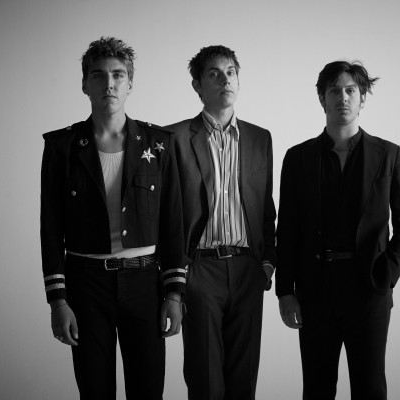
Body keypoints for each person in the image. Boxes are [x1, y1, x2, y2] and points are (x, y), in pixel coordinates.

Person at [40, 36, 188, 399]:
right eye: (99, 75)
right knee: (94, 390)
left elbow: (173, 222)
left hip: (144, 284)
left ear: (130, 83)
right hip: (86, 286)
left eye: (118, 75)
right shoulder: (61, 147)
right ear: (85, 84)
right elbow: (50, 228)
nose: (109, 84)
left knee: (147, 390)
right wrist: (58, 301)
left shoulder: (159, 144)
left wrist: (174, 293)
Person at [276, 60, 400, 399]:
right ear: (321, 98)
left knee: (370, 388)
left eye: (351, 90)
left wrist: (387, 275)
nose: (343, 97)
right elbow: (287, 228)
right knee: (317, 389)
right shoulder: (298, 158)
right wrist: (285, 291)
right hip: (314, 288)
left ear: (362, 98)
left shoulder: (389, 155)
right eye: (334, 91)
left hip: (368, 288)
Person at [167, 45, 276, 400]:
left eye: (230, 72)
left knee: (243, 381)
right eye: (214, 73)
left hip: (248, 269)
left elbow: (265, 208)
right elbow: (167, 215)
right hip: (199, 270)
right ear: (198, 86)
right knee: (206, 379)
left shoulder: (260, 138)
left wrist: (266, 265)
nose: (225, 79)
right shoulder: (174, 138)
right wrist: (177, 278)